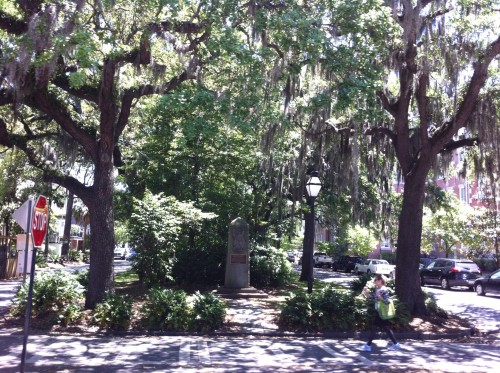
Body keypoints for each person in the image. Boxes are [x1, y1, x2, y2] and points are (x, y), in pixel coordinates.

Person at [360, 274, 401, 352]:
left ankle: (368, 345)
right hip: (379, 311)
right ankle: (396, 344)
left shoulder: (383, 289)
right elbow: (371, 297)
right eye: (375, 280)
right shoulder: (378, 289)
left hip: (381, 312)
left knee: (374, 327)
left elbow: (387, 301)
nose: (374, 282)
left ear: (380, 281)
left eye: (376, 280)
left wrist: (380, 298)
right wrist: (366, 292)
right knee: (386, 328)